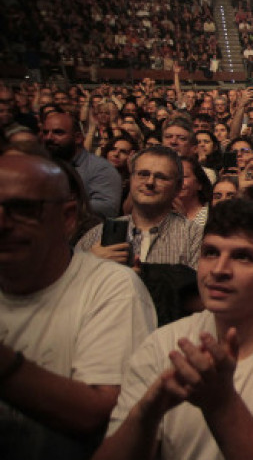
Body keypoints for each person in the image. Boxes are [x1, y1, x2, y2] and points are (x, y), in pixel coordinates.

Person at [94, 199, 253, 460]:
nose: (219, 270)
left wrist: (221, 405)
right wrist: (145, 414)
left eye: (242, 257)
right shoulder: (165, 343)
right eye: (210, 253)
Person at [0, 154, 156, 459]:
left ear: (68, 217)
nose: (1, 223)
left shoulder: (111, 288)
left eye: (22, 210)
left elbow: (100, 416)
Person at [76, 146, 203, 269]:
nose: (150, 182)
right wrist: (89, 263)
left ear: (178, 186)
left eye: (161, 177)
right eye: (143, 174)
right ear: (131, 179)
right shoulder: (96, 235)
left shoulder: (194, 237)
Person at [41, 110, 122, 218]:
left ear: (78, 138)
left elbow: (107, 208)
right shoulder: (40, 166)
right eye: (45, 132)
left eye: (58, 132)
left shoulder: (100, 168)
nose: (49, 138)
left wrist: (58, 205)